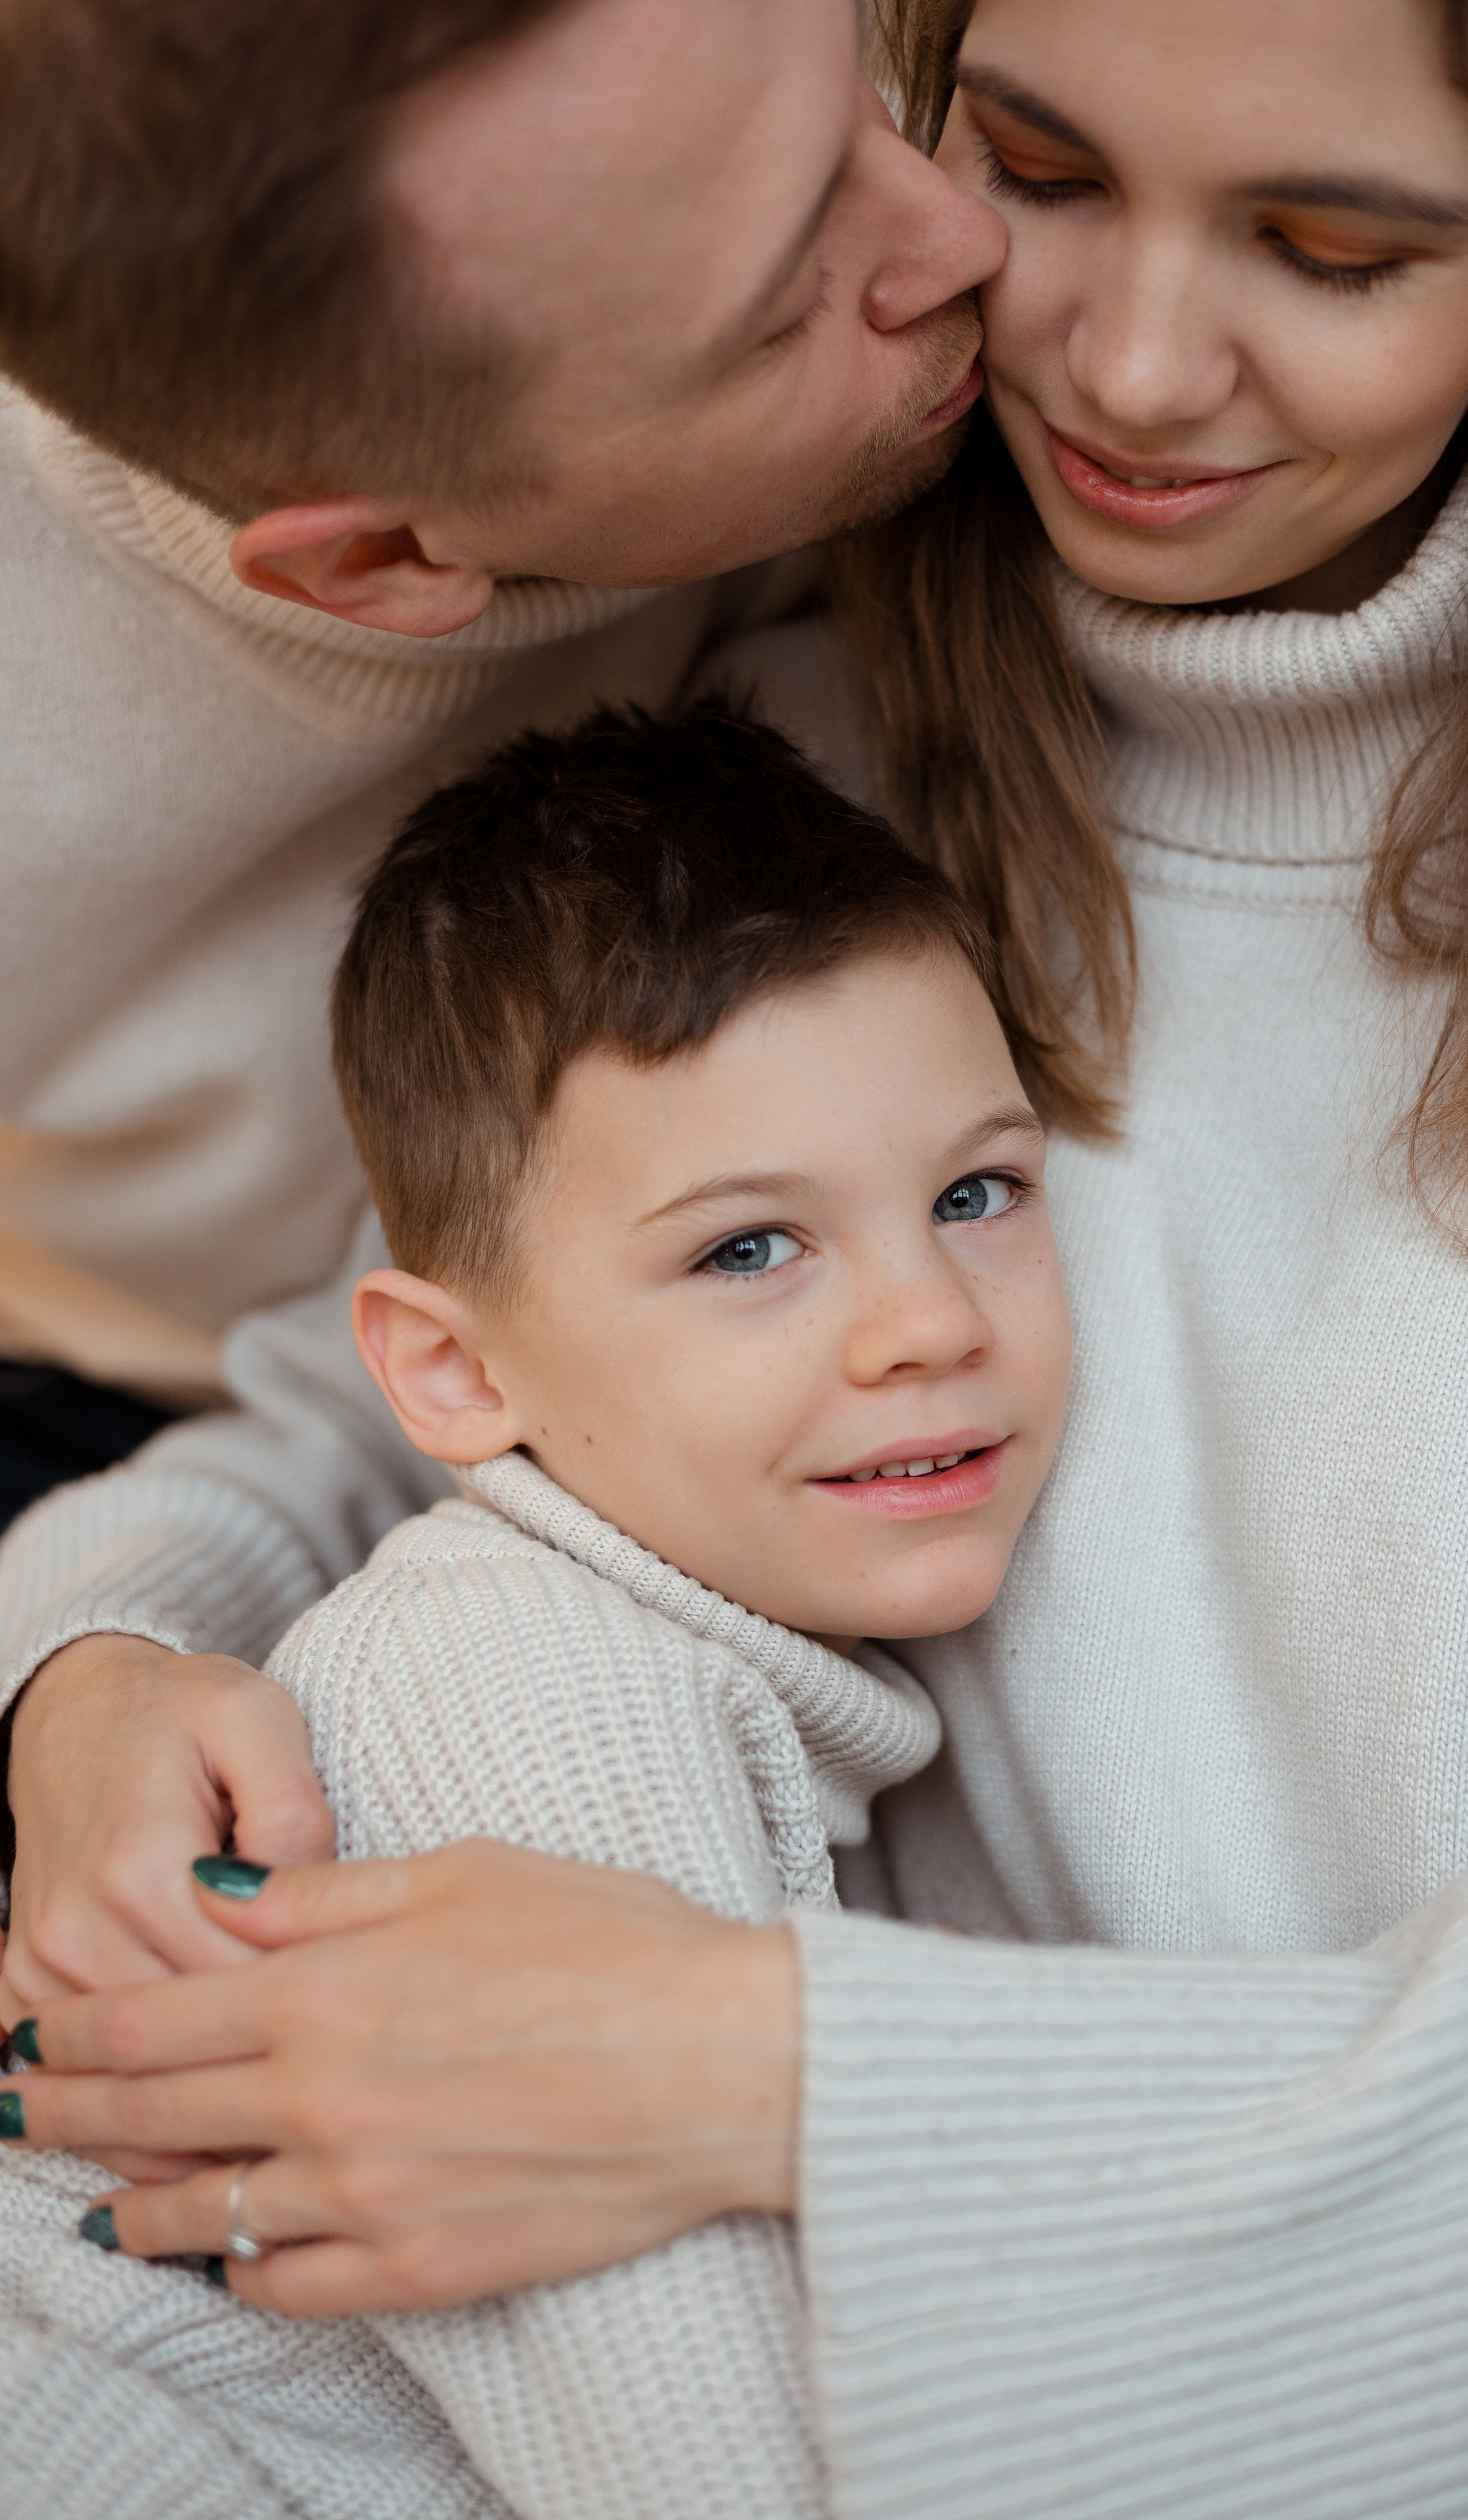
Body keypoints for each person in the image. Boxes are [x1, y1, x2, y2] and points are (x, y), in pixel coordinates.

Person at [7, 0, 1468, 2513]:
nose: (1114, 357)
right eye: (1025, 159)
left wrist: (756, 2069)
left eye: (1330, 248)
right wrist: (103, 1652)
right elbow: (438, 1394)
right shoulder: (816, 724)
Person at [1, 700, 1070, 2517]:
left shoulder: (716, 1657)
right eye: (750, 1246)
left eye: (976, 1193)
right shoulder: (525, 1680)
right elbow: (718, 2485)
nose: (930, 1322)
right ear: (448, 1370)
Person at [0, 0, 999, 1515]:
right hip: (153, 1406)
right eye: (784, 308)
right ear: (386, 562)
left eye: (860, 91)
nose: (958, 235)